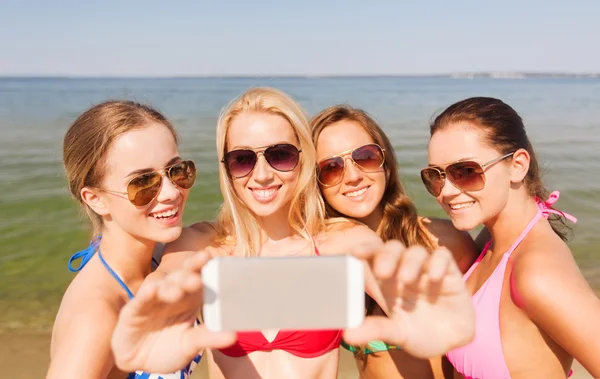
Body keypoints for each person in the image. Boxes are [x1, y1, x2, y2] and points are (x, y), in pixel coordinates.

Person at [109, 87, 477, 379]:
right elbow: (163, 286)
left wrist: (421, 313)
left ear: (303, 160)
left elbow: (385, 278)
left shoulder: (340, 241)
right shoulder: (201, 245)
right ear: (226, 168)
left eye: (280, 154)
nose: (263, 174)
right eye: (243, 159)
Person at [421, 97, 600, 379]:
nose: (447, 191)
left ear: (517, 165)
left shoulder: (537, 274)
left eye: (466, 171)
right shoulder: (490, 241)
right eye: (436, 175)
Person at [311, 105, 482, 379]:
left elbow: (489, 340)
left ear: (385, 161)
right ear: (315, 182)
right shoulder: (326, 254)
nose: (353, 176)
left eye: (365, 157)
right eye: (331, 168)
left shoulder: (443, 241)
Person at [46, 100, 206, 379]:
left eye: (176, 171)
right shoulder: (96, 314)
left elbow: (219, 231)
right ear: (96, 199)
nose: (170, 192)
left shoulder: (160, 254)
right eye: (143, 183)